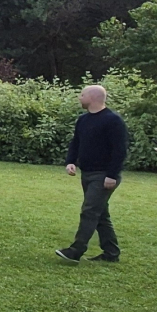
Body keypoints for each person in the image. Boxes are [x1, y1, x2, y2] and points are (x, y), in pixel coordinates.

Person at [56, 84, 126, 262]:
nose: (79, 98)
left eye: (82, 95)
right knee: (100, 214)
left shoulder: (112, 120)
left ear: (92, 97)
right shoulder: (83, 120)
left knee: (89, 211)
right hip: (87, 173)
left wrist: (112, 175)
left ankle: (76, 250)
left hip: (103, 175)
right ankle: (111, 253)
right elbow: (76, 142)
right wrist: (70, 161)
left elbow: (120, 150)